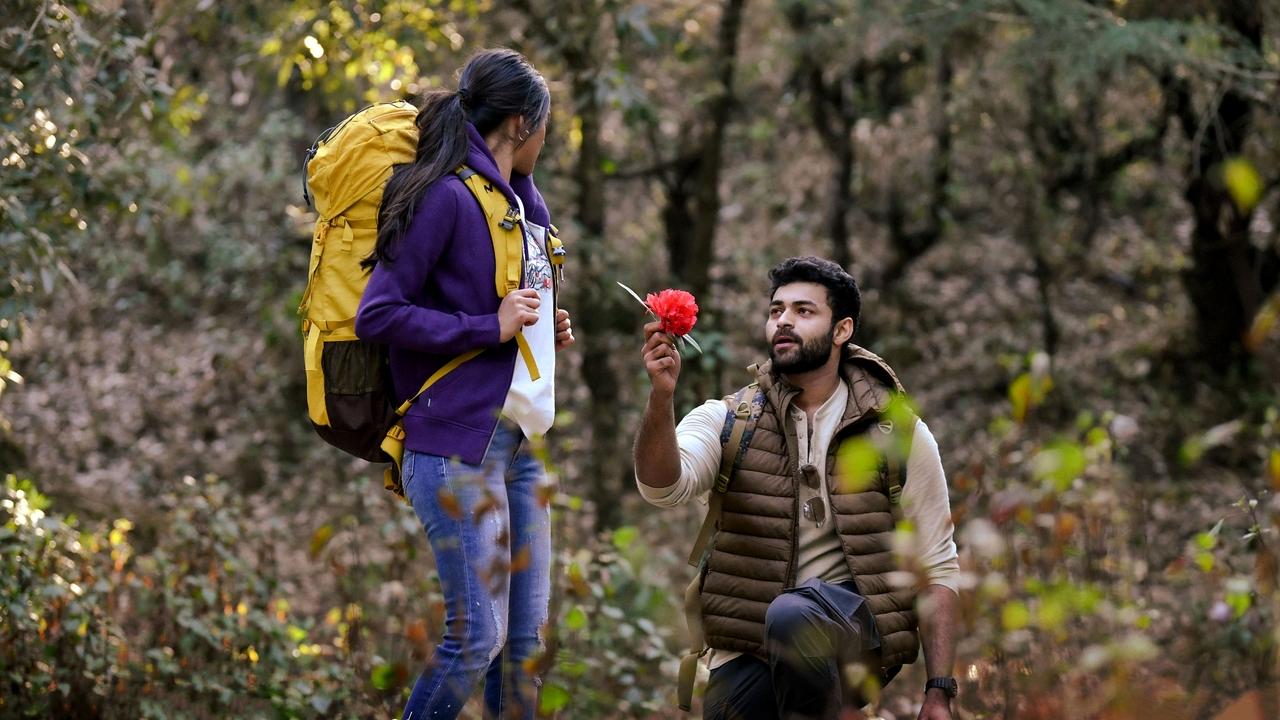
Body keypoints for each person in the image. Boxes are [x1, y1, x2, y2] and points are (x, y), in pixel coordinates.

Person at [634, 256, 960, 720]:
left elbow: (938, 565)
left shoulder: (898, 434)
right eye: (776, 310)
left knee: (792, 616)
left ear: (842, 329)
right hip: (746, 645)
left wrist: (939, 690)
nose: (783, 320)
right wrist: (661, 396)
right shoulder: (731, 421)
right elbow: (662, 488)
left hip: (853, 635)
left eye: (803, 311)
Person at [355, 48, 573, 720]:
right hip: (454, 447)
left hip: (521, 449)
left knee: (524, 649)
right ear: (519, 123)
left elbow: (501, 309)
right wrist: (489, 326)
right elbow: (378, 314)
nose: (547, 140)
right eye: (544, 126)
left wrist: (539, 330)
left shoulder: (521, 208)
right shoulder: (447, 196)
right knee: (478, 635)